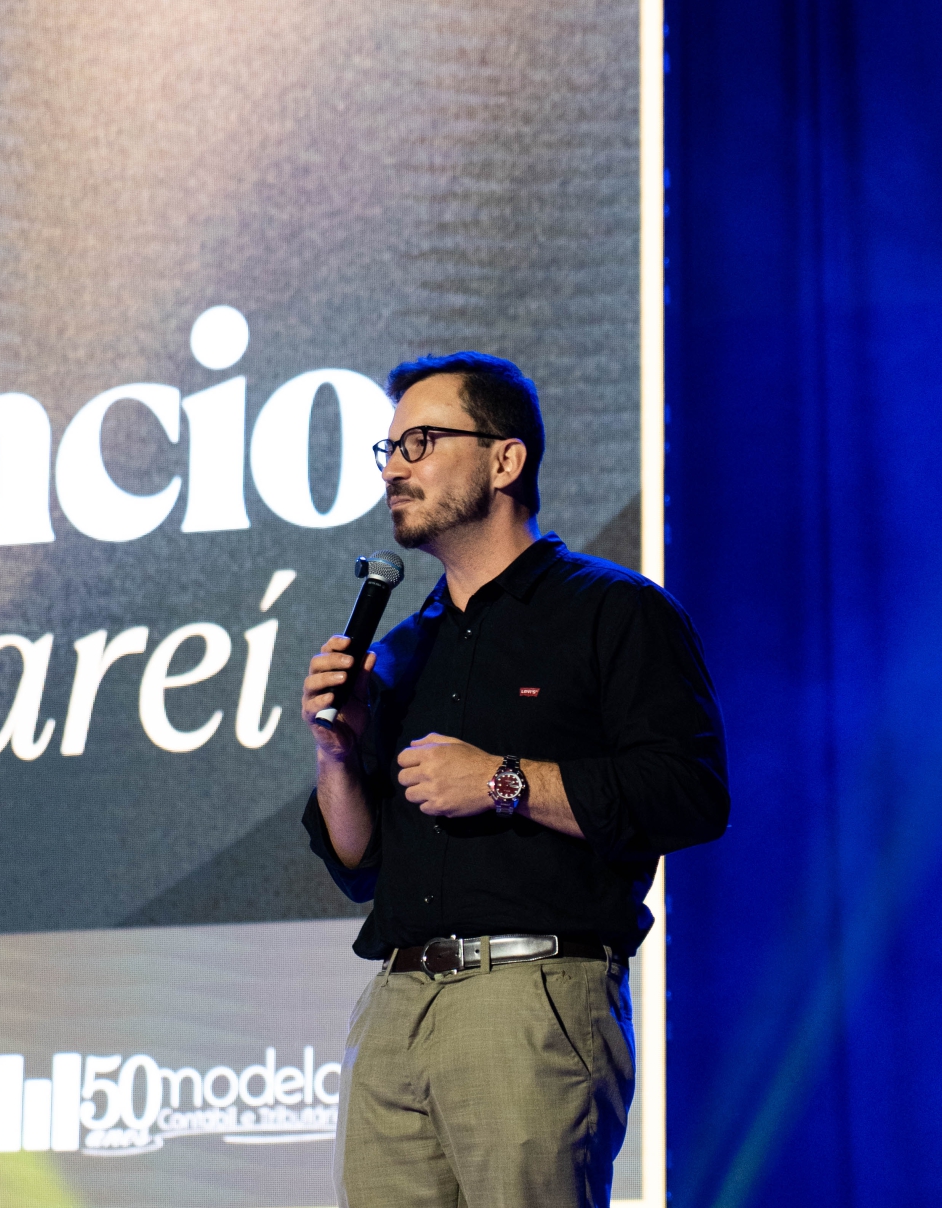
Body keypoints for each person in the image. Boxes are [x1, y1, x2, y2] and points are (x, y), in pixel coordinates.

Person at [302, 352, 728, 1208]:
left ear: (505, 460)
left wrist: (502, 781)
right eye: (388, 449)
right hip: (396, 1003)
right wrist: (337, 755)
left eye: (421, 442)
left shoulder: (612, 610)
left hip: (530, 993)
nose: (394, 469)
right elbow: (360, 862)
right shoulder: (404, 649)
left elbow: (688, 794)